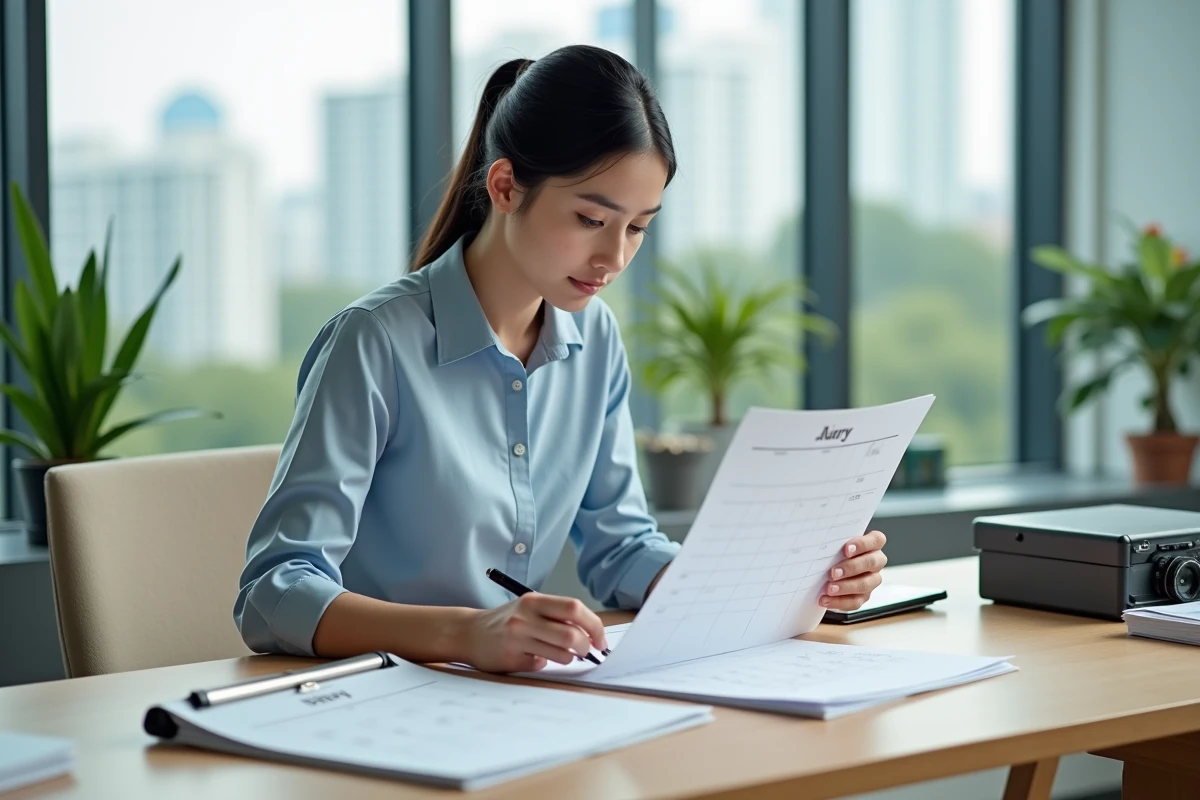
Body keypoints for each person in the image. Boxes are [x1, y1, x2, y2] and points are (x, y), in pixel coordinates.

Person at [234, 44, 890, 674]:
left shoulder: (594, 339)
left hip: (516, 700)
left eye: (638, 226)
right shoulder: (372, 342)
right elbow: (274, 592)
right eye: (589, 219)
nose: (615, 258)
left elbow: (621, 548)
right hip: (375, 707)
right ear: (505, 187)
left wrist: (775, 583)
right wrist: (466, 631)